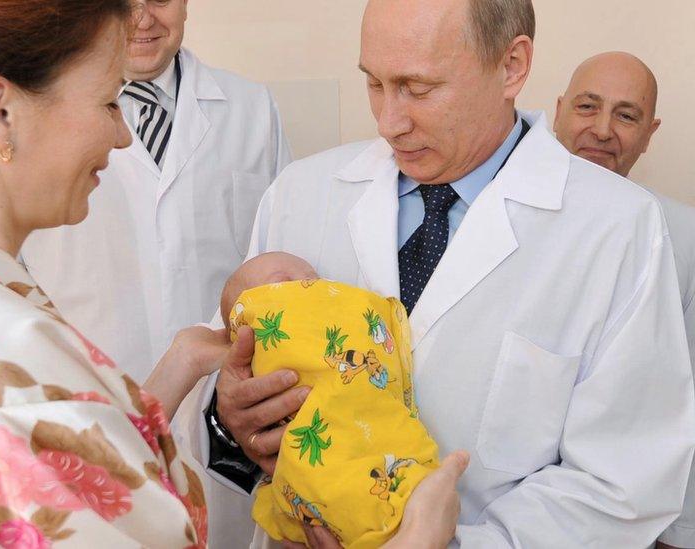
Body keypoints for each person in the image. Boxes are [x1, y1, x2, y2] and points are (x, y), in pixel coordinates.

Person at [0, 0, 465, 546]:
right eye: (105, 100)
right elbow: (25, 427)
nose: (121, 131)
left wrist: (179, 366)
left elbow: (42, 463)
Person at [185, 0, 695, 546]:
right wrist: (227, 421)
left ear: (512, 66)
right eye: (374, 83)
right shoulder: (301, 194)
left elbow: (622, 480)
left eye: (418, 88)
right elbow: (229, 384)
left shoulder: (618, 227)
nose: (388, 121)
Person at [19, 0, 292, 544]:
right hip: (89, 415)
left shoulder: (250, 109)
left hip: (225, 423)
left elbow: (282, 261)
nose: (142, 17)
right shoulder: (36, 109)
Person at [553, 51, 695, 549]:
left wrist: (678, 535)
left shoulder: (685, 237)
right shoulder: (483, 217)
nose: (603, 129)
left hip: (619, 521)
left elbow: (688, 402)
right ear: (558, 111)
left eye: (626, 115)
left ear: (650, 132)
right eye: (587, 107)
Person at [221, 253, 441, 547]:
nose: (311, 283)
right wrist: (234, 408)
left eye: (313, 279)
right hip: (306, 479)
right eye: (286, 283)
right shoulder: (283, 224)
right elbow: (232, 339)